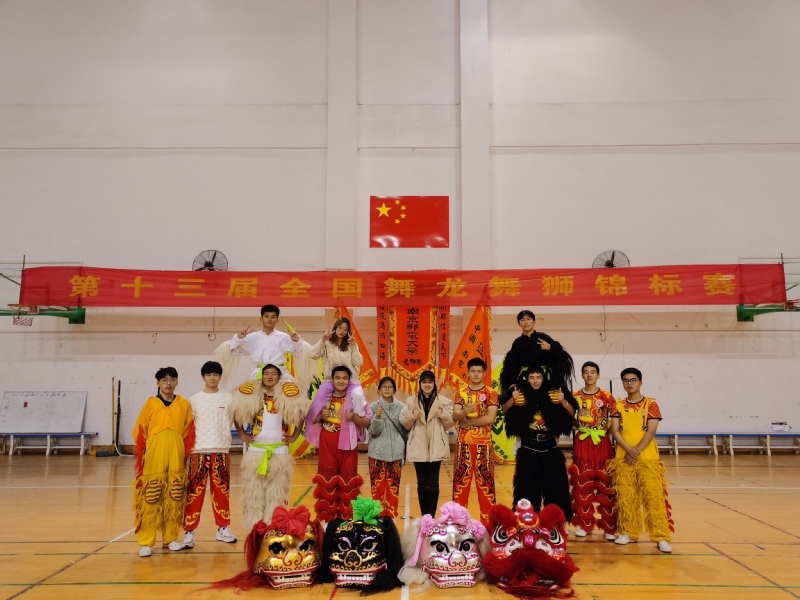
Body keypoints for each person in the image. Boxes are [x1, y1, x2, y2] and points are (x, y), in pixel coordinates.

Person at [229, 363, 307, 529]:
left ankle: (274, 524)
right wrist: (242, 434)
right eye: (266, 374)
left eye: (273, 373)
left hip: (279, 450)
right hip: (256, 450)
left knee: (276, 492)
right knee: (255, 491)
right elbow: (236, 412)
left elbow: (301, 415)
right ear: (262, 376)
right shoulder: (253, 397)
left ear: (279, 377)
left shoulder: (286, 398)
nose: (270, 376)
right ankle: (256, 525)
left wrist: (294, 436)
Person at [608, 368, 674, 553]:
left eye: (633, 380)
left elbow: (651, 431)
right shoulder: (618, 405)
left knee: (653, 497)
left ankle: (660, 536)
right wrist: (628, 449)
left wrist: (636, 451)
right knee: (626, 496)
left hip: (647, 457)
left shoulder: (651, 404)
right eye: (626, 380)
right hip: (623, 456)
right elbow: (615, 431)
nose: (629, 384)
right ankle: (628, 532)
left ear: (640, 382)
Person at [132, 367, 195, 558]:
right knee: (151, 494)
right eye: (164, 380)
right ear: (158, 383)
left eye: (172, 379)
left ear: (177, 382)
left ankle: (171, 538)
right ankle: (146, 542)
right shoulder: (151, 403)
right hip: (154, 452)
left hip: (176, 451)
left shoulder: (184, 404)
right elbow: (140, 431)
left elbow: (188, 430)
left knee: (175, 492)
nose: (168, 383)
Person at [502, 365, 577, 520]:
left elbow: (571, 412)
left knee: (555, 489)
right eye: (532, 377)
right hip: (528, 448)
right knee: (527, 490)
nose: (535, 381)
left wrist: (563, 401)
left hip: (550, 447)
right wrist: (512, 399)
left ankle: (555, 521)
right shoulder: (520, 393)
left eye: (538, 377)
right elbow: (504, 410)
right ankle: (527, 521)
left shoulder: (553, 393)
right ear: (527, 379)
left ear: (543, 378)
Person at [305, 365, 371, 522]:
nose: (341, 381)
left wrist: (354, 417)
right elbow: (311, 419)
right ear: (332, 380)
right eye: (338, 378)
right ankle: (329, 521)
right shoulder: (324, 398)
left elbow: (367, 422)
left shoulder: (355, 399)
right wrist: (321, 416)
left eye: (344, 378)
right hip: (328, 442)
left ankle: (348, 520)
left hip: (348, 444)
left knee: (348, 480)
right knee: (328, 479)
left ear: (349, 381)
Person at [181, 361, 236, 549]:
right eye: (208, 375)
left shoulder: (229, 399)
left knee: (222, 492)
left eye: (215, 374)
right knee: (194, 493)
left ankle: (223, 528)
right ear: (203, 377)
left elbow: (234, 420)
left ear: (220, 376)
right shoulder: (194, 400)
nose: (212, 378)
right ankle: (189, 531)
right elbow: (188, 427)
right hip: (198, 453)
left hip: (221, 451)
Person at [568, 361, 616, 539]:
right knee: (582, 483)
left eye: (593, 372)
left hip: (602, 441)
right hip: (583, 441)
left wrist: (606, 432)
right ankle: (585, 524)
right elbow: (568, 417)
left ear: (598, 375)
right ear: (582, 375)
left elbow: (615, 419)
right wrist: (577, 426)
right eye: (586, 372)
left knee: (605, 483)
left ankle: (609, 527)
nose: (589, 375)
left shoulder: (607, 396)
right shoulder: (576, 395)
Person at [400, 370, 454, 518]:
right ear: (420, 384)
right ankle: (425, 516)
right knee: (422, 483)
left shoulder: (443, 402)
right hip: (419, 447)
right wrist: (412, 416)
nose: (427, 385)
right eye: (424, 382)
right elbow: (404, 423)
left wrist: (443, 415)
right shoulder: (411, 402)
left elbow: (450, 423)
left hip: (436, 447)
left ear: (434, 384)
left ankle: (432, 515)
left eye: (430, 382)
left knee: (434, 483)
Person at [452, 358, 499, 526]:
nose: (476, 374)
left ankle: (488, 526)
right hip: (463, 444)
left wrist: (469, 422)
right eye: (473, 371)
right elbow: (455, 415)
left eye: (479, 371)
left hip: (484, 445)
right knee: (460, 485)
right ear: (468, 373)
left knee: (486, 486)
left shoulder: (491, 393)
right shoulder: (461, 392)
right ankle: (458, 525)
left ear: (484, 373)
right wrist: (466, 411)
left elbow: (490, 418)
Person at [216, 304, 305, 380]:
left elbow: (299, 353)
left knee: (292, 392)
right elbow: (233, 350)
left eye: (273, 317)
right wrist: (238, 338)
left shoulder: (283, 337)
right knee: (246, 393)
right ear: (261, 319)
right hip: (259, 374)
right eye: (266, 316)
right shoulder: (252, 337)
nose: (269, 319)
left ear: (277, 320)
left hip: (280, 374)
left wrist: (296, 341)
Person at [499, 310, 574, 396]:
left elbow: (561, 355)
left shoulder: (543, 337)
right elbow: (513, 365)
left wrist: (550, 347)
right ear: (519, 324)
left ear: (534, 322)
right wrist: (512, 382)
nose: (526, 322)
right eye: (522, 320)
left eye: (528, 319)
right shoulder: (517, 343)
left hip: (545, 379)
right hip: (526, 380)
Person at [308, 316, 367, 417]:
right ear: (335, 328)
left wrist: (354, 345)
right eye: (340, 328)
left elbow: (359, 362)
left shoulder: (351, 344)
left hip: (351, 381)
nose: (342, 331)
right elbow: (312, 354)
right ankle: (313, 424)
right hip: (331, 381)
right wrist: (322, 340)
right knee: (319, 397)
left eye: (345, 329)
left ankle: (358, 421)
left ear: (348, 332)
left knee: (358, 396)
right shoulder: (327, 343)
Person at [367, 377, 407, 518]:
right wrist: (377, 417)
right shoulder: (373, 407)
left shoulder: (402, 407)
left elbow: (405, 431)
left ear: (394, 390)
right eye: (384, 387)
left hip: (396, 455)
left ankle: (391, 519)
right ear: (379, 390)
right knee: (377, 489)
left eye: (390, 387)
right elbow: (373, 431)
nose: (387, 389)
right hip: (376, 454)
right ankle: (377, 519)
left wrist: (405, 452)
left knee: (393, 489)